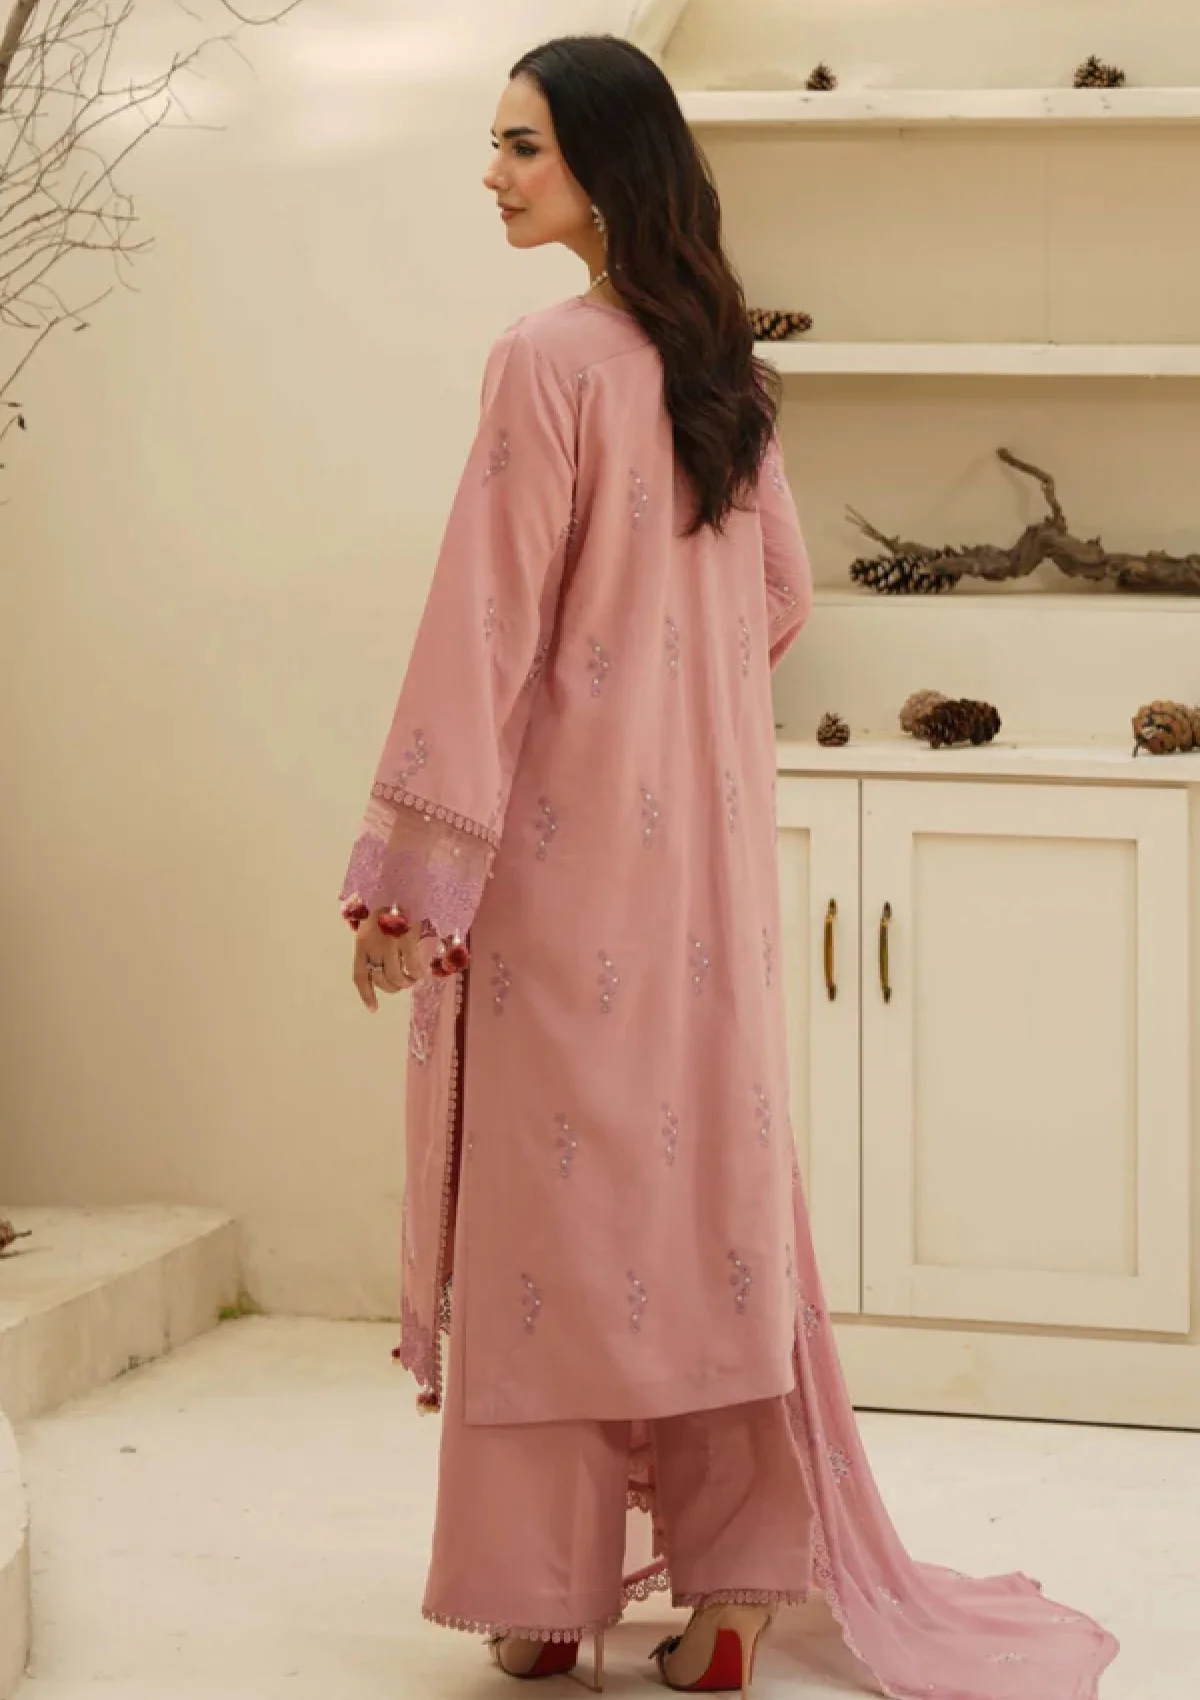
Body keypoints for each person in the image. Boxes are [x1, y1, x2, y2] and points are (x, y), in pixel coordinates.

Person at [339, 33, 1119, 1699]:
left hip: (560, 879)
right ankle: (737, 1598)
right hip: (702, 887)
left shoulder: (544, 361)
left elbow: (484, 625)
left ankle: (545, 1595)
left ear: (605, 164)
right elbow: (779, 599)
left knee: (553, 1227)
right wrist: (665, 709)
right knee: (703, 1213)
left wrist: (410, 880)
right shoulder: (723, 372)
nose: (493, 173)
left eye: (523, 146)